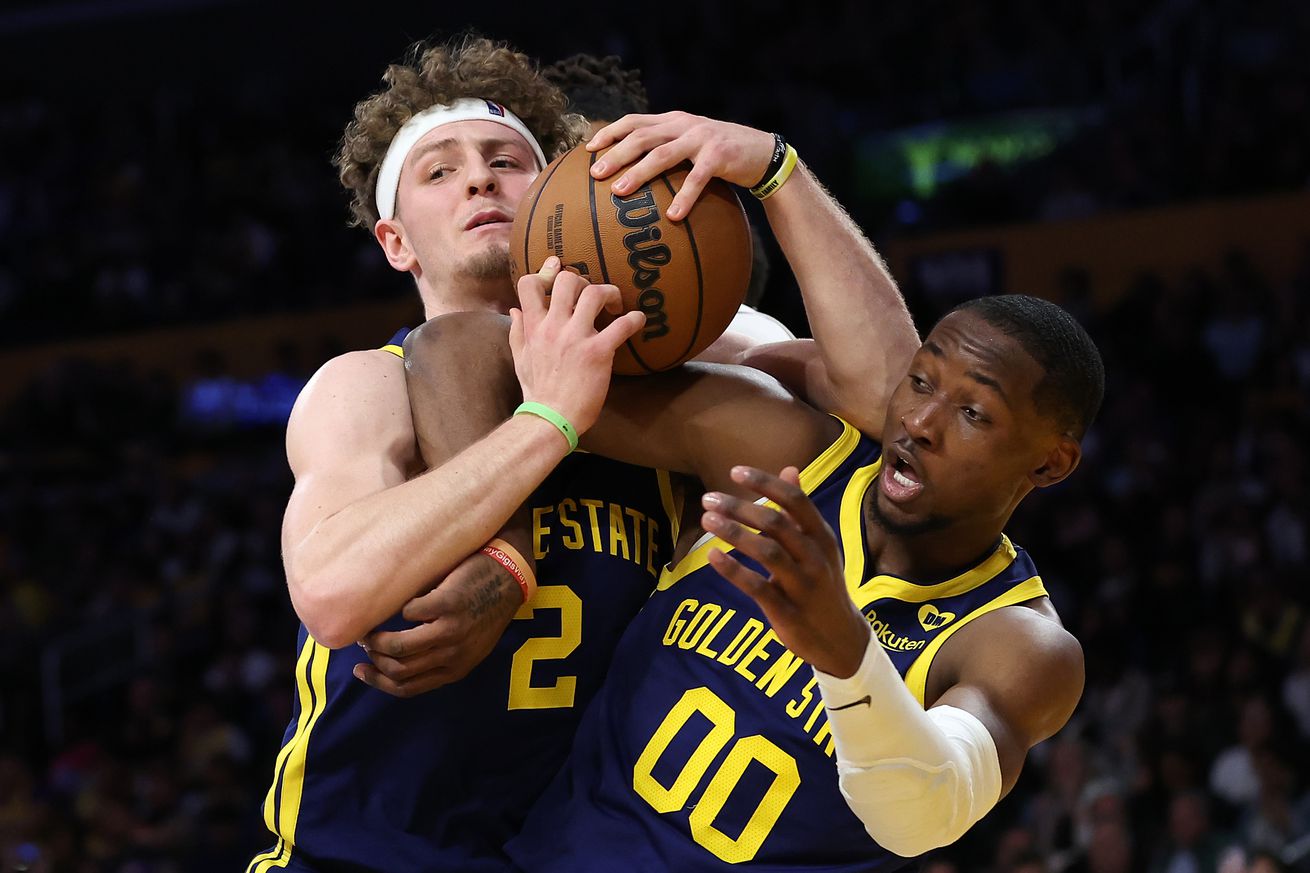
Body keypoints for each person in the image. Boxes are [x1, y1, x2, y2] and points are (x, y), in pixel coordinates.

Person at [247, 35, 918, 873]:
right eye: (439, 172)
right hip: (354, 854)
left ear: (562, 189)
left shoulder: (689, 370)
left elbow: (893, 402)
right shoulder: (361, 387)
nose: (480, 179)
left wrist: (777, 171)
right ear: (397, 243)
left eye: (506, 161)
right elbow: (331, 592)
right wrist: (545, 427)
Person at [404, 254, 1103, 868]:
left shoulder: (1016, 643)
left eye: (975, 413)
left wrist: (845, 651)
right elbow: (462, 346)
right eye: (920, 381)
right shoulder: (786, 452)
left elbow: (921, 814)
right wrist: (503, 552)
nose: (921, 423)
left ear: (1050, 461)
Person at [545, 52, 795, 345]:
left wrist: (778, 166)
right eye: (575, 175)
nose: (600, 192)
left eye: (617, 162)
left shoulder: (744, 332)